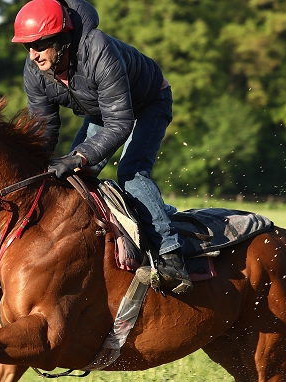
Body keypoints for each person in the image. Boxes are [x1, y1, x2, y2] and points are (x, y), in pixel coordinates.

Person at [12, 0, 192, 294]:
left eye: (40, 45)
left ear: (61, 39)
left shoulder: (98, 48)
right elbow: (44, 128)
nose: (34, 54)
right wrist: (34, 164)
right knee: (74, 178)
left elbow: (120, 123)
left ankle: (171, 256)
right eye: (27, 46)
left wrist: (79, 156)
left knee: (132, 173)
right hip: (103, 112)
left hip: (149, 102)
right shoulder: (34, 70)